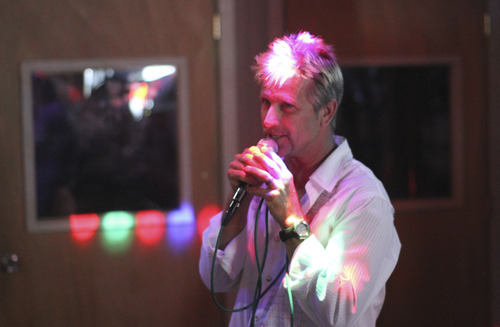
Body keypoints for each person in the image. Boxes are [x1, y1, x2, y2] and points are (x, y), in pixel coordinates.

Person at [199, 31, 401, 327]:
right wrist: (237, 207)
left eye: (287, 107)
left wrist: (292, 219)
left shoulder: (365, 197)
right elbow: (216, 279)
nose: (268, 120)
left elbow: (339, 313)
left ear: (326, 111)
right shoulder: (267, 177)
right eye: (265, 102)